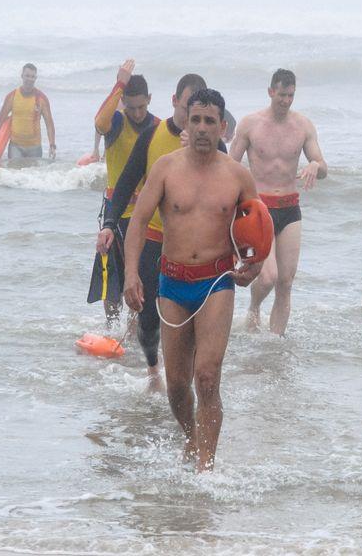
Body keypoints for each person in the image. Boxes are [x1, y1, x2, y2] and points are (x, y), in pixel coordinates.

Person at [122, 89, 262, 471]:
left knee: (206, 376)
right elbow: (137, 222)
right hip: (172, 282)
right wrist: (132, 273)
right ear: (186, 120)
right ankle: (191, 435)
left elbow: (257, 232)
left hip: (216, 282)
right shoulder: (166, 168)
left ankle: (206, 466)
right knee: (178, 384)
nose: (201, 128)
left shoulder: (238, 176)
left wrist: (253, 267)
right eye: (195, 119)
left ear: (223, 126)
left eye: (209, 121)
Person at [96, 73, 213, 390]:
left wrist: (205, 153)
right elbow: (124, 186)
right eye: (189, 106)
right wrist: (109, 225)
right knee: (147, 317)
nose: (195, 116)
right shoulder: (152, 135)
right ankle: (153, 374)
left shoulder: (211, 143)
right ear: (175, 101)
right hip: (154, 239)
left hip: (193, 246)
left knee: (188, 315)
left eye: (201, 109)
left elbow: (228, 186)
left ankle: (186, 375)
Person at [229, 69, 327, 335]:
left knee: (285, 281)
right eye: (282, 94)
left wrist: (315, 166)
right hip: (258, 209)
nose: (286, 100)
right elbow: (229, 165)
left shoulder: (303, 126)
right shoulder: (250, 124)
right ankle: (254, 306)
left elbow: (322, 164)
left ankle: (276, 343)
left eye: (291, 95)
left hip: (290, 208)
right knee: (268, 276)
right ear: (271, 91)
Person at [89, 59, 159, 323]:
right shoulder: (116, 123)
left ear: (149, 99)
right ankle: (112, 328)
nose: (138, 113)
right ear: (124, 104)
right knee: (112, 280)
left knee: (140, 276)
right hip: (115, 213)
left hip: (146, 215)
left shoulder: (157, 127)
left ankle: (133, 333)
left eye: (142, 106)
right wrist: (119, 83)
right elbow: (99, 121)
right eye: (132, 107)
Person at [0, 63, 56, 159]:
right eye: (27, 76)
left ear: (36, 78)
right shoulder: (12, 96)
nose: (29, 79)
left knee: (33, 174)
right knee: (14, 173)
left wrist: (52, 145)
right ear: (22, 76)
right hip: (15, 146)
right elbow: (0, 121)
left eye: (32, 76)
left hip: (35, 147)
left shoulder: (41, 99)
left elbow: (49, 124)